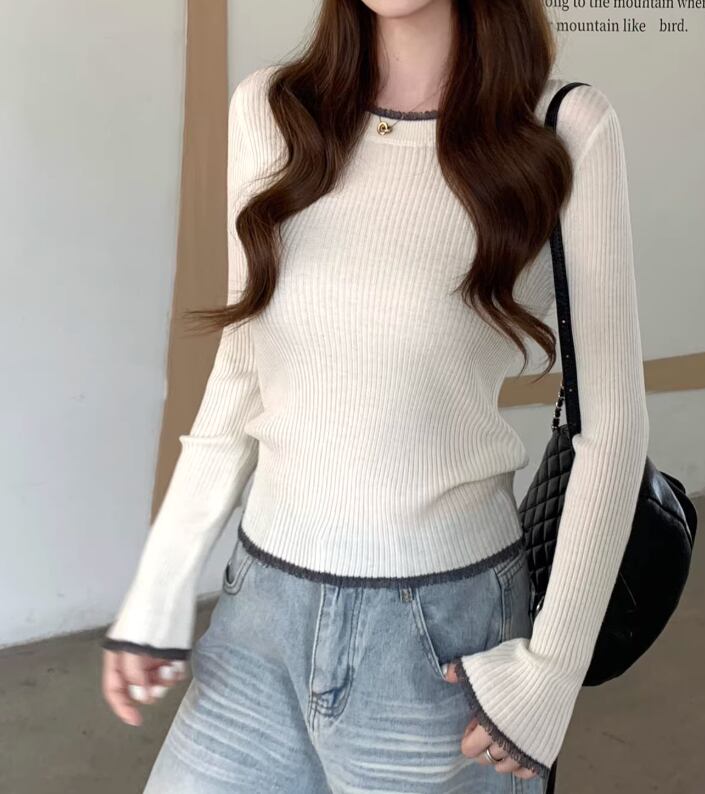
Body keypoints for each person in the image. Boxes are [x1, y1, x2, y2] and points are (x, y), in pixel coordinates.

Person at [100, 0, 649, 791]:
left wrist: (553, 672)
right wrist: (160, 584)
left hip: (438, 640)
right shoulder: (273, 110)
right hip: (258, 615)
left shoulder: (560, 127)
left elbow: (612, 426)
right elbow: (242, 371)